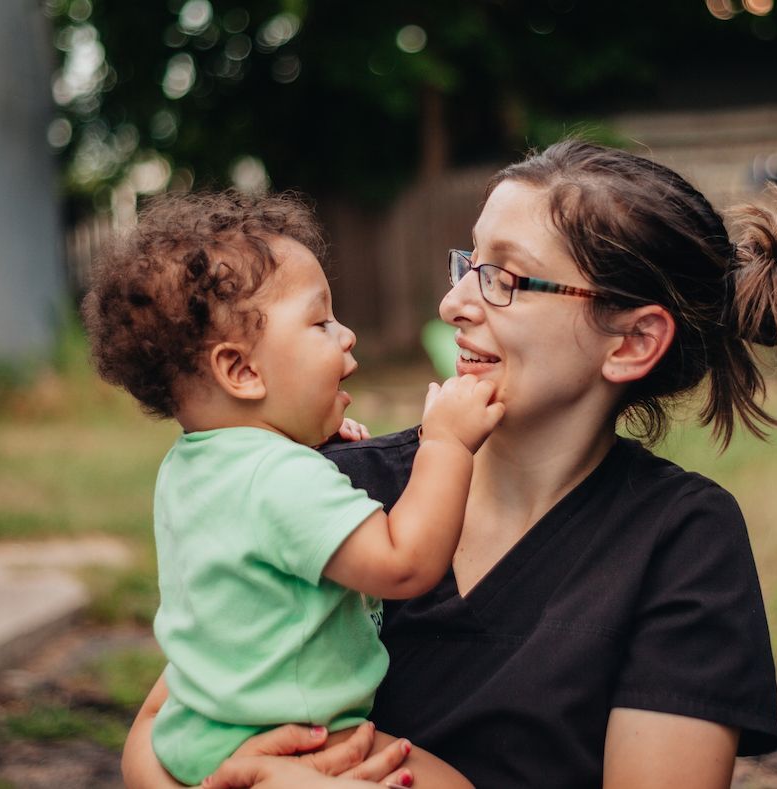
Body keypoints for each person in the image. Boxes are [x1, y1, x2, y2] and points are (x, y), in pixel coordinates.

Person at [123, 140, 777, 788]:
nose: (453, 302)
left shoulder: (679, 541)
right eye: (469, 263)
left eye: (506, 278)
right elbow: (165, 724)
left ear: (632, 341)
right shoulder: (336, 482)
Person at [84, 191, 502, 787]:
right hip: (296, 742)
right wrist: (447, 444)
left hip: (196, 734)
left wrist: (306, 446)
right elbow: (403, 564)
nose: (347, 335)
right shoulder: (280, 478)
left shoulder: (191, 466)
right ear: (242, 370)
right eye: (321, 322)